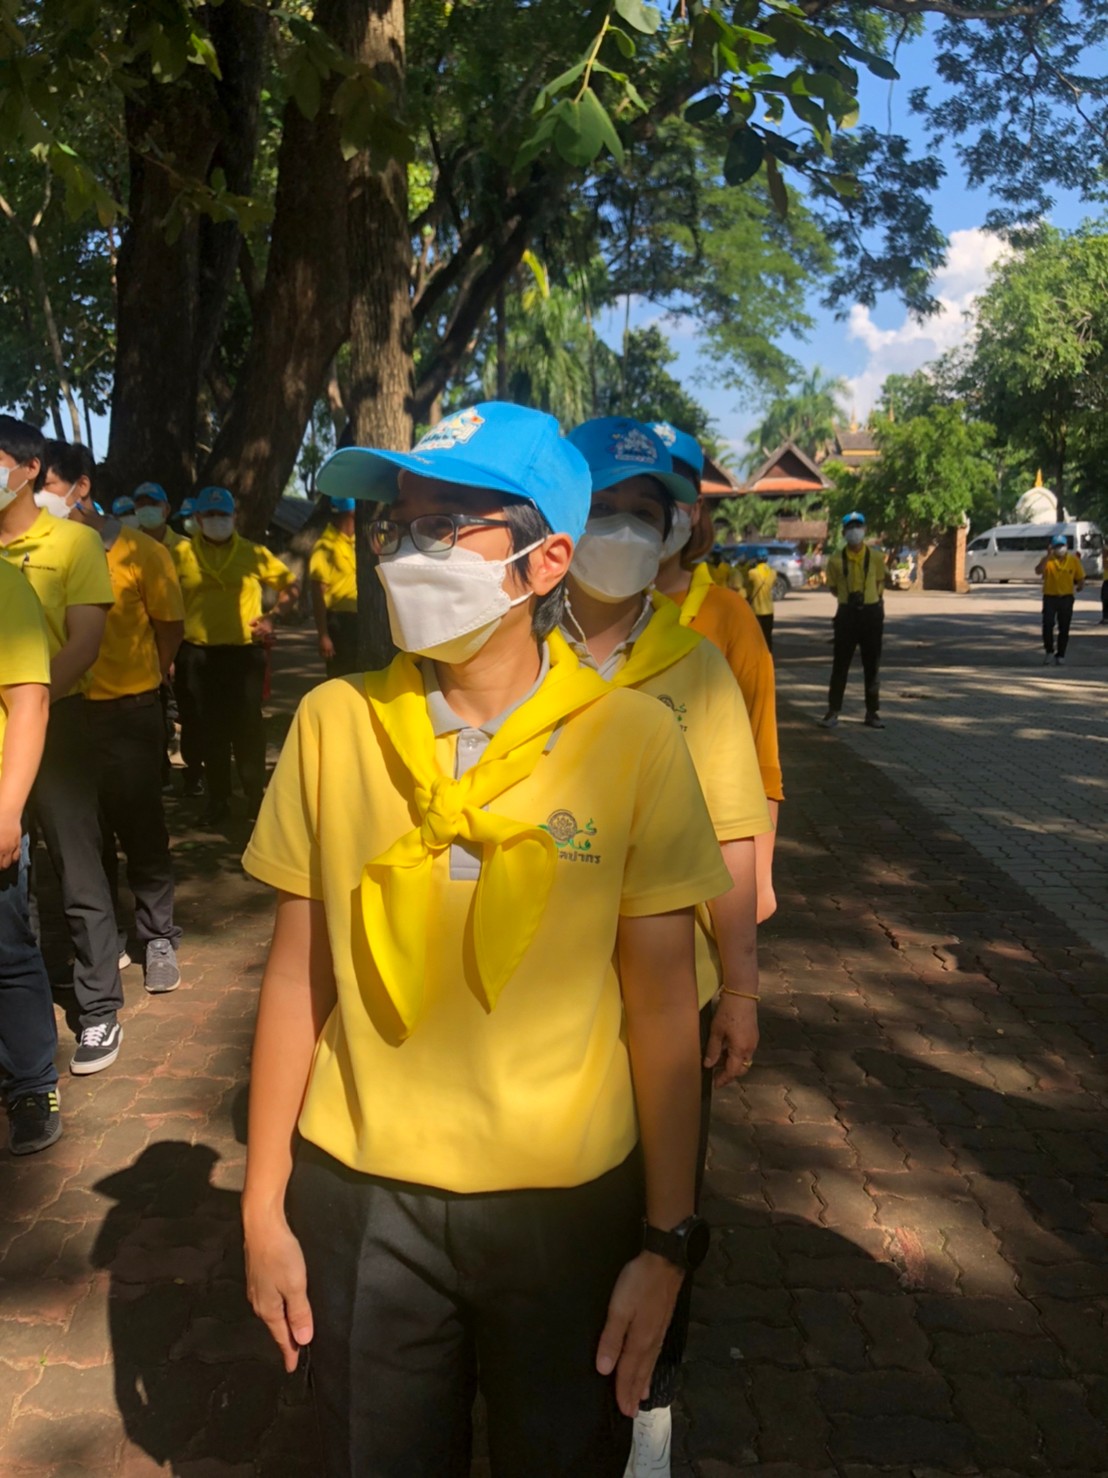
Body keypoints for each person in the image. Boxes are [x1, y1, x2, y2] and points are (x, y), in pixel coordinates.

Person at [241, 402, 726, 1478]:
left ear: (546, 560)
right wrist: (263, 1202)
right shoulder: (334, 723)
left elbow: (660, 1008)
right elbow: (296, 977)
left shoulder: (631, 740)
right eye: (396, 527)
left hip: (567, 1205)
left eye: (442, 526)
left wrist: (666, 1241)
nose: (405, 555)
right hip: (361, 1187)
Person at [563, 417, 771, 1478]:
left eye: (642, 513)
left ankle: (652, 1398)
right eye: (599, 508)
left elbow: (734, 835)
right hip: (543, 988)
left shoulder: (699, 669)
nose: (620, 531)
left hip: (669, 994)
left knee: (665, 1204)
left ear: (676, 529)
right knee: (564, 1207)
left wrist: (739, 987)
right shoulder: (508, 650)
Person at [0, 416, 123, 1075]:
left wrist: (31, 698)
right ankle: (22, 1006)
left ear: (27, 470)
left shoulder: (74, 543)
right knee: (11, 876)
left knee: (76, 864)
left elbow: (85, 642)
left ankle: (99, 1004)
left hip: (58, 722)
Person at [42, 444, 185, 993]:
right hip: (64, 717)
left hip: (129, 714)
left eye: (46, 487)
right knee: (85, 840)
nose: (37, 499)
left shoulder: (142, 552)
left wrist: (146, 678)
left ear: (81, 487)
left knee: (142, 829)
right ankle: (107, 941)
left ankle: (158, 936)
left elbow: (169, 627)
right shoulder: (41, 553)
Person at [650, 422, 783, 925]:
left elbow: (762, 761)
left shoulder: (729, 615)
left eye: (673, 495)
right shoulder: (576, 613)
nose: (656, 513)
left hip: (701, 870)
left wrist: (760, 877)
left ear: (695, 510)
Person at [173, 486, 297, 826]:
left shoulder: (252, 553)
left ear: (234, 517)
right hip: (197, 654)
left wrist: (273, 617)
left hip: (243, 655)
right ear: (198, 519)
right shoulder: (179, 554)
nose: (217, 520)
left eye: (223, 515)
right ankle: (218, 800)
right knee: (209, 729)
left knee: (248, 727)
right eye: (210, 515)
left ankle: (255, 797)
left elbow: (290, 586)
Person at [0, 552, 61, 1153]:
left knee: (6, 953)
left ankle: (32, 1085)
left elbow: (28, 700)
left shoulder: (5, 585)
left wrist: (7, 808)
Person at [819, 511, 888, 730]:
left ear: (865, 530)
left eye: (858, 527)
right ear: (843, 532)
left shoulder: (876, 557)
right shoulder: (835, 560)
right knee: (840, 664)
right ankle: (833, 711)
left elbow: (879, 582)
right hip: (846, 614)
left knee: (872, 665)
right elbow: (832, 588)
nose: (855, 531)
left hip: (871, 613)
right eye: (850, 528)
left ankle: (872, 712)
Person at [308, 496, 359, 678]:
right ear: (350, 513)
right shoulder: (325, 546)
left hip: (361, 618)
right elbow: (317, 593)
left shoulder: (358, 542)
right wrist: (323, 634)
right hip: (339, 621)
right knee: (341, 675)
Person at [1035, 534, 1085, 665]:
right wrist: (1047, 556)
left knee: (1064, 627)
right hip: (1050, 598)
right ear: (1052, 547)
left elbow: (1080, 576)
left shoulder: (1073, 560)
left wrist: (1080, 585)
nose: (1060, 548)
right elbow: (1038, 571)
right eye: (1056, 546)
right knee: (1047, 625)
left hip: (1066, 598)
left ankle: (1061, 654)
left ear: (1066, 546)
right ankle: (1049, 651)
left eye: (1061, 545)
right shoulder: (1048, 560)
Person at [744, 546, 776, 651]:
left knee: (756, 637)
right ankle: (768, 655)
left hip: (756, 610)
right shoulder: (773, 573)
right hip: (769, 609)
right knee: (768, 636)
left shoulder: (752, 573)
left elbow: (746, 584)